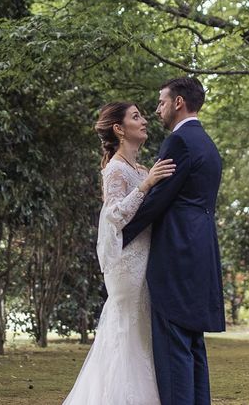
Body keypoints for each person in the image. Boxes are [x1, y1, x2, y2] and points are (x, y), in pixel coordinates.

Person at [62, 101, 175, 405]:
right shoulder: (115, 169)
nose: (144, 121)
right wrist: (146, 185)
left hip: (146, 256)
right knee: (128, 331)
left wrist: (148, 179)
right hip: (127, 263)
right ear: (119, 129)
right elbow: (114, 215)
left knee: (141, 334)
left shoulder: (138, 168)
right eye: (136, 117)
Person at [122, 76, 226, 405]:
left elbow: (158, 199)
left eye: (161, 102)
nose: (157, 110)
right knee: (193, 346)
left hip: (176, 254)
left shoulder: (179, 143)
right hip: (201, 252)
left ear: (178, 103)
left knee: (173, 348)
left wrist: (119, 235)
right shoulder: (207, 144)